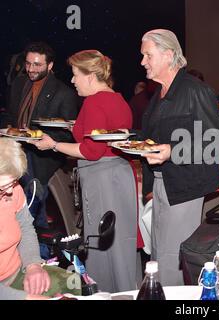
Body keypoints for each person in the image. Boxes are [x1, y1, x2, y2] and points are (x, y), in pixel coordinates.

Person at [30, 50, 138, 293]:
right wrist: (75, 126)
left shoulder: (94, 102)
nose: (72, 80)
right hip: (119, 174)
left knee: (100, 241)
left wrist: (53, 144)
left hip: (102, 179)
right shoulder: (117, 99)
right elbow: (101, 134)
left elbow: (91, 151)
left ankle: (102, 293)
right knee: (119, 242)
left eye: (76, 74)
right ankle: (126, 291)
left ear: (90, 76)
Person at [138, 29, 219, 286]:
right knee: (158, 253)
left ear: (168, 55)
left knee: (172, 258)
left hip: (185, 186)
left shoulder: (195, 91)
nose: (143, 61)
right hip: (163, 183)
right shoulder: (160, 93)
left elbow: (214, 141)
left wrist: (171, 151)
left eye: (147, 55)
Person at [0, 42, 79, 235]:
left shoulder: (64, 93)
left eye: (37, 65)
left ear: (50, 66)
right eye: (28, 64)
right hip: (15, 152)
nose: (31, 69)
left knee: (34, 207)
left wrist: (41, 139)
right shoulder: (19, 83)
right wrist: (9, 127)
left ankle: (39, 251)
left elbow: (68, 134)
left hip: (41, 159)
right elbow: (11, 115)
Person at [0, 138, 80, 300]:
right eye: (3, 186)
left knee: (72, 281)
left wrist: (33, 265)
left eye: (13, 182)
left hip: (15, 272)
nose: (9, 192)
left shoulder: (14, 190)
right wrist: (27, 298)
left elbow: (26, 228)